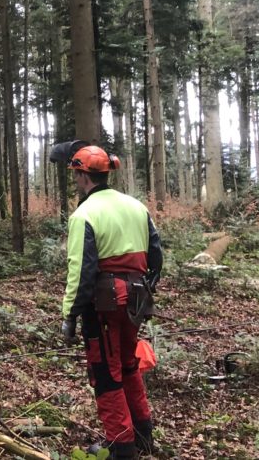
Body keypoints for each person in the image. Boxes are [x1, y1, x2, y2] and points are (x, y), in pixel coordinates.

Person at [53, 142, 164, 460]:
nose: (74, 180)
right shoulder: (136, 206)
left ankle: (122, 445)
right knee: (129, 365)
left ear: (83, 175)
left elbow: (81, 270)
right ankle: (142, 434)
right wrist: (146, 286)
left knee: (105, 372)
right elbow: (156, 257)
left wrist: (69, 315)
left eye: (75, 174)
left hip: (104, 305)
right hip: (137, 301)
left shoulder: (84, 215)